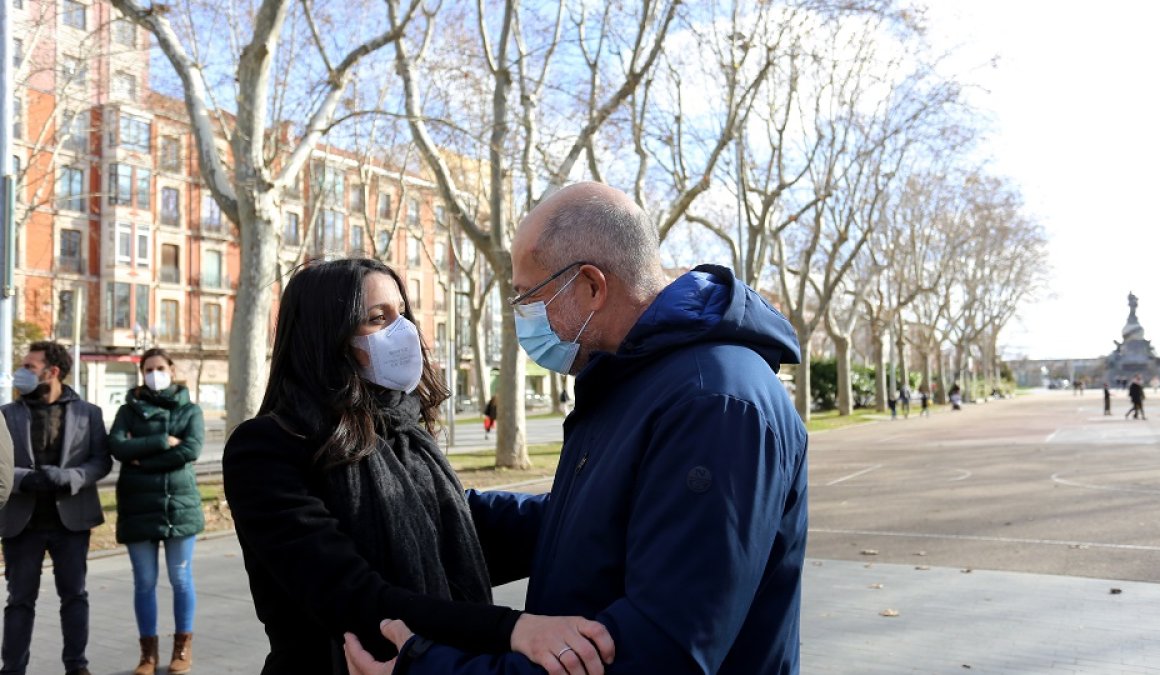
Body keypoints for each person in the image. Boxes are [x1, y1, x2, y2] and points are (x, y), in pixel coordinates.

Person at [346, 181, 809, 674]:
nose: (523, 314)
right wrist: (427, 504)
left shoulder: (712, 402)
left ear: (590, 285)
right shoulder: (631, 379)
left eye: (529, 295)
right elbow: (591, 524)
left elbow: (659, 650)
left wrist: (430, 670)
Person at [222, 258, 611, 675]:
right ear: (325, 336)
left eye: (401, 314)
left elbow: (456, 524)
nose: (403, 331)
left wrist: (589, 513)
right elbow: (352, 596)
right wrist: (514, 629)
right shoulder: (266, 447)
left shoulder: (403, 427)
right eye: (377, 318)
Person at [1, 341, 112, 675]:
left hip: (72, 521)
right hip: (23, 522)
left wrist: (70, 476)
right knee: (19, 601)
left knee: (75, 596)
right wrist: (26, 479)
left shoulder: (88, 413)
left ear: (52, 372)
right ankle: (12, 669)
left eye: (29, 366)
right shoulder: (8, 413)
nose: (22, 372)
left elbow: (100, 461)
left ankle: (76, 665)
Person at [108, 348, 205, 675]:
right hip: (137, 506)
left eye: (160, 367)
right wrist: (165, 440)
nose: (154, 373)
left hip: (178, 506)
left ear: (171, 369)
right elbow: (119, 447)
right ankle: (147, 655)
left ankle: (183, 647)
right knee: (144, 582)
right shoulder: (127, 411)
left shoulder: (190, 410)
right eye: (148, 369)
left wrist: (142, 460)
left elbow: (191, 449)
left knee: (180, 578)